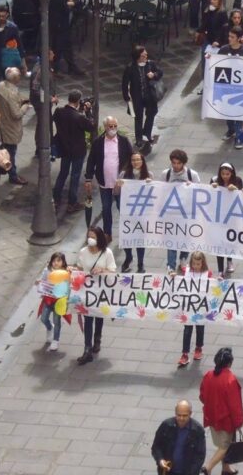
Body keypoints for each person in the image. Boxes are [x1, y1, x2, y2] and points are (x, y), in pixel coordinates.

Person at [85, 117, 135, 243]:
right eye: (110, 126)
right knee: (106, 209)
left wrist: (131, 175)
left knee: (122, 208)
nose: (113, 129)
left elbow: (132, 157)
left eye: (114, 126)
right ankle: (108, 233)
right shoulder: (98, 142)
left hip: (120, 184)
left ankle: (127, 232)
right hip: (105, 183)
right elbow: (91, 161)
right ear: (105, 127)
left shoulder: (123, 141)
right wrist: (88, 178)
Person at [73, 226, 116, 365]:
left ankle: (97, 339)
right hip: (87, 291)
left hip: (101, 292)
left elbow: (113, 272)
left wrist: (102, 270)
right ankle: (87, 349)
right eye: (89, 236)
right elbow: (79, 269)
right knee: (88, 319)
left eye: (93, 237)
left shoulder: (107, 253)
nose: (90, 239)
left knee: (98, 317)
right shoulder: (83, 252)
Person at [199, 347, 243, 475]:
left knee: (222, 443)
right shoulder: (230, 380)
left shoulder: (208, 375)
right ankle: (208, 467)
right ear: (230, 363)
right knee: (225, 446)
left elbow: (202, 396)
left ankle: (226, 468)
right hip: (226, 420)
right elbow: (235, 405)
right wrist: (238, 422)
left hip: (211, 416)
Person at [53, 90, 95, 213]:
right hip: (77, 151)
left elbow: (58, 119)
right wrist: (88, 112)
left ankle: (56, 199)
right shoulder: (79, 117)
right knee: (75, 176)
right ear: (78, 101)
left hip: (64, 148)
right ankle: (72, 203)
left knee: (63, 174)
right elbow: (91, 126)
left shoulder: (59, 112)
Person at [122, 44, 163, 148]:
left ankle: (147, 133)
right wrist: (126, 97)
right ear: (138, 57)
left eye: (146, 55)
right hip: (137, 97)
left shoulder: (150, 64)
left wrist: (154, 75)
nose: (145, 57)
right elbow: (125, 83)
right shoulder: (130, 68)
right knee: (138, 117)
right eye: (143, 56)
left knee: (151, 113)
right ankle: (139, 138)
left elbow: (160, 72)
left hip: (150, 95)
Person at [118, 151, 152, 273]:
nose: (136, 162)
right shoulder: (123, 174)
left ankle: (140, 263)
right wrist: (119, 185)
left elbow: (154, 194)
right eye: (133, 160)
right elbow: (117, 193)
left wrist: (150, 184)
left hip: (142, 214)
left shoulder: (149, 175)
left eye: (138, 160)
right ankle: (128, 257)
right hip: (127, 213)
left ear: (142, 161)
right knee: (127, 237)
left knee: (140, 239)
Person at [151, 400, 207, 475]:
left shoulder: (197, 431)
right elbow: (156, 447)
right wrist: (160, 460)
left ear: (190, 414)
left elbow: (200, 456)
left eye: (184, 415)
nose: (181, 418)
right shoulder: (166, 426)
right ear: (175, 413)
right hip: (168, 471)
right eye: (179, 415)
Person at [0, 68, 29, 185]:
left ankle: (8, 171)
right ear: (15, 79)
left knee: (7, 149)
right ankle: (12, 175)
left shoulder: (0, 86)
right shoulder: (12, 93)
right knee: (11, 153)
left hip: (2, 124)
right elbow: (17, 114)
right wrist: (25, 106)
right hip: (11, 127)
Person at [177, 251, 212, 367]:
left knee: (200, 328)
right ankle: (185, 354)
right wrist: (173, 275)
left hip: (201, 307)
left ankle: (198, 348)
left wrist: (219, 281)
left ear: (203, 263)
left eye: (198, 264)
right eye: (194, 264)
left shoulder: (208, 273)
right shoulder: (187, 271)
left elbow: (213, 285)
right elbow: (178, 281)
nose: (196, 266)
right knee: (187, 330)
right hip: (189, 307)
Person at [37, 252, 68, 353]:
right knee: (43, 318)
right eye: (54, 261)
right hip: (48, 299)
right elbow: (42, 280)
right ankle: (49, 327)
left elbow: (69, 285)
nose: (56, 263)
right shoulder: (47, 270)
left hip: (59, 301)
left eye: (58, 261)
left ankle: (55, 340)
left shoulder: (66, 272)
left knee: (57, 320)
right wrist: (39, 283)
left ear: (63, 262)